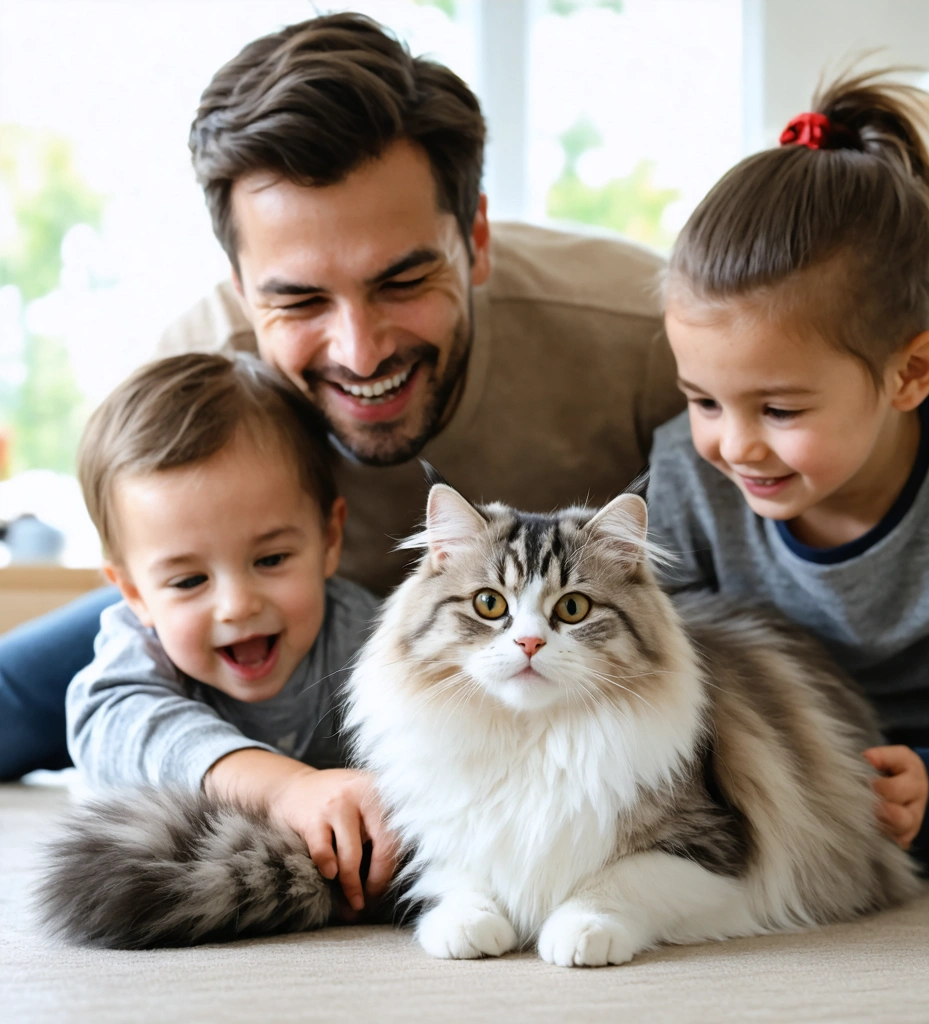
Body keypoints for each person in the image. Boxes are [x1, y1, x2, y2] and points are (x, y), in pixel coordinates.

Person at [0, 12, 683, 780]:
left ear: (477, 239)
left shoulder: (649, 337)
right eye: (298, 301)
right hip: (251, 612)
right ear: (241, 287)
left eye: (401, 281)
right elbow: (131, 676)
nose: (361, 352)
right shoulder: (191, 380)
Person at [648, 71, 929, 880]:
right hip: (785, 760)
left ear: (910, 374)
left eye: (779, 411)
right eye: (703, 399)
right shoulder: (685, 466)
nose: (735, 446)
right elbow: (659, 655)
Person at [66, 351, 395, 913]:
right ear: (136, 594)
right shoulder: (137, 650)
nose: (237, 605)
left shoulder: (364, 638)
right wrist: (286, 787)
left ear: (329, 539)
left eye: (270, 559)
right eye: (190, 579)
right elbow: (111, 719)